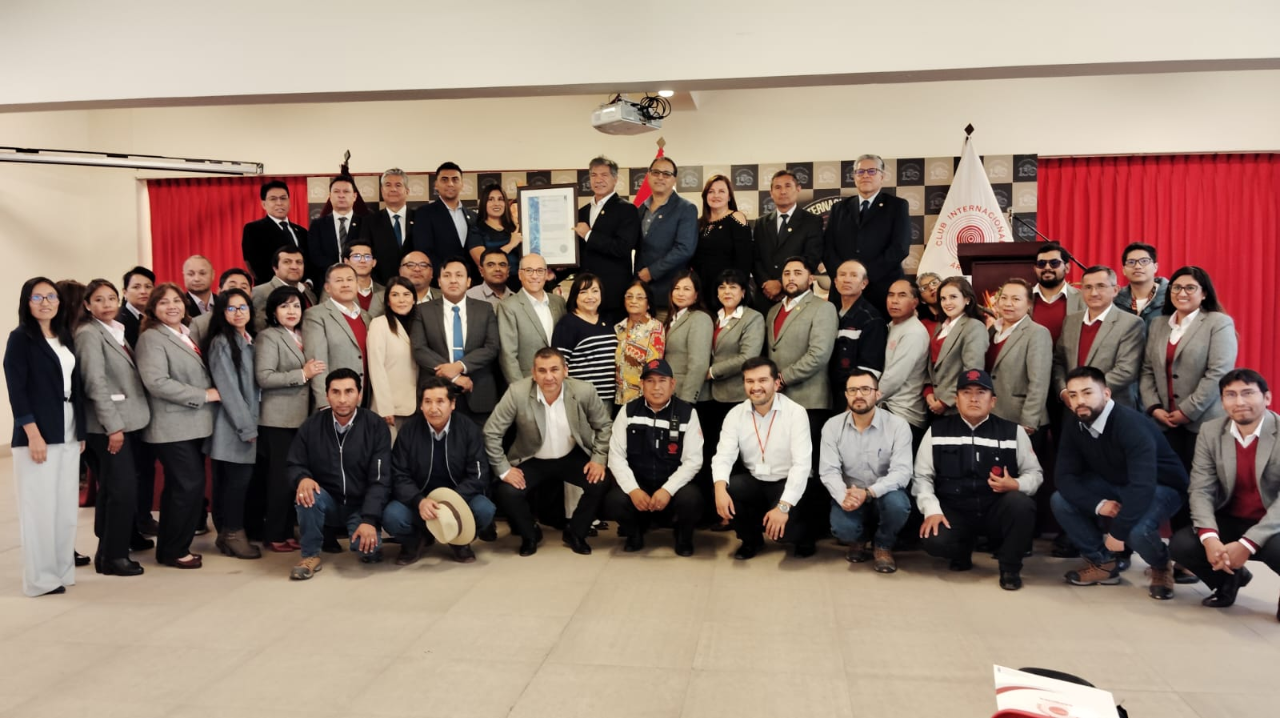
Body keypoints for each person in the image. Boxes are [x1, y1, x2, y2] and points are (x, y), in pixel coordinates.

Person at [1054, 366, 1188, 600]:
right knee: (1060, 500)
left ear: (1106, 394)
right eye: (1073, 395)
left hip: (1162, 486)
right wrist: (1099, 504)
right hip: (1116, 482)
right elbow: (1063, 477)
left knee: (1136, 531)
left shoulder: (1131, 425)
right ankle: (1104, 564)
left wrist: (1118, 532)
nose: (1080, 401)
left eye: (1087, 393)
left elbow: (1143, 485)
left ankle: (1161, 565)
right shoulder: (1075, 423)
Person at [914, 369, 1042, 591]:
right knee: (934, 540)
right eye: (966, 392)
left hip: (995, 509)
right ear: (956, 400)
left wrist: (1016, 484)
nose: (973, 398)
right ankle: (961, 551)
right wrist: (931, 510)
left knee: (1021, 504)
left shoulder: (1013, 432)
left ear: (992, 401)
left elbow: (1035, 473)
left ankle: (1010, 568)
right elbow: (922, 476)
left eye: (981, 392)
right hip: (955, 509)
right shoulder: (937, 431)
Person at [1170, 368, 1280, 618]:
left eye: (1248, 393)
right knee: (1182, 545)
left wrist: (1248, 544)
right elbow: (1201, 488)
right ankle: (1229, 580)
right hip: (1231, 517)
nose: (1239, 402)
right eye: (1231, 395)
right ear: (1222, 402)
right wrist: (1210, 538)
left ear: (1267, 398)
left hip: (1273, 524)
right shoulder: (1211, 431)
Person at [484, 348, 613, 556]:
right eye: (542, 371)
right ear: (533, 374)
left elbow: (604, 426)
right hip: (532, 456)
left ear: (565, 370)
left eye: (554, 369)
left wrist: (598, 459)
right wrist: (504, 470)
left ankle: (576, 532)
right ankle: (530, 534)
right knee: (507, 491)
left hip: (570, 454)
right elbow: (491, 432)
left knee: (600, 482)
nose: (549, 376)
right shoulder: (517, 392)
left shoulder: (584, 390)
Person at [5, 277, 86, 596]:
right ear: (27, 302)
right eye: (37, 297)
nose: (46, 302)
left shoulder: (65, 336)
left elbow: (75, 387)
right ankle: (40, 579)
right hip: (38, 430)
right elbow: (17, 390)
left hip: (68, 426)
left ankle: (62, 570)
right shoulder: (20, 338)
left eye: (51, 296)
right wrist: (32, 434)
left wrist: (80, 430)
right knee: (39, 507)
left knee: (65, 506)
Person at [135, 283, 218, 570]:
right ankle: (174, 549)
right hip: (170, 425)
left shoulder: (187, 332)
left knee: (179, 487)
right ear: (153, 309)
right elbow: (156, 382)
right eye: (163, 302)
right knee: (188, 485)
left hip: (193, 424)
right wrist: (203, 395)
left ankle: (171, 548)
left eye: (176, 301)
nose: (172, 306)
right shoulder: (152, 338)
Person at [287, 369, 393, 580]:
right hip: (328, 502)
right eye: (336, 392)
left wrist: (369, 519)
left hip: (361, 506)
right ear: (327, 395)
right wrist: (302, 478)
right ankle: (310, 555)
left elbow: (380, 479)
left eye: (349, 391)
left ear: (359, 395)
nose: (342, 399)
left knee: (368, 551)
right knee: (306, 493)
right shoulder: (312, 426)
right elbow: (294, 463)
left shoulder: (376, 426)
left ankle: (365, 536)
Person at [76, 279, 150, 576]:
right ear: (87, 305)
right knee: (121, 491)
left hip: (126, 421)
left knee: (115, 489)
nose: (106, 304)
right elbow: (95, 383)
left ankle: (108, 551)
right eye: (98, 299)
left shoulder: (114, 330)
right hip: (108, 426)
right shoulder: (88, 334)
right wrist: (113, 428)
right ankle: (113, 557)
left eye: (111, 298)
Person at [383, 376, 496, 565]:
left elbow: (479, 474)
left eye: (440, 401)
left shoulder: (467, 428)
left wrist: (451, 503)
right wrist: (419, 501)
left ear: (452, 404)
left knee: (485, 509)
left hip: (459, 499)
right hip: (420, 501)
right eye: (427, 402)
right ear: (421, 405)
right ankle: (415, 540)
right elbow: (399, 474)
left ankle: (459, 540)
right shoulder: (409, 430)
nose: (433, 408)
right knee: (392, 515)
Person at [710, 357, 815, 559]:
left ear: (776, 383)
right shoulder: (735, 414)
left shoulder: (796, 413)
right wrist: (719, 490)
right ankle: (751, 541)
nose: (756, 387)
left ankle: (804, 537)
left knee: (785, 532)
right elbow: (723, 456)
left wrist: (783, 507)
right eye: (750, 381)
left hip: (788, 482)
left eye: (762, 380)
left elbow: (802, 466)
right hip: (756, 481)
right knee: (728, 487)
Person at [1140, 266, 1239, 469]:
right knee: (1169, 479)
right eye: (1176, 287)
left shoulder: (1218, 323)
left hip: (1203, 422)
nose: (1182, 293)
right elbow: (1147, 370)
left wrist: (1186, 411)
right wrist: (1154, 407)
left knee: (1201, 480)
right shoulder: (1158, 324)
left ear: (1204, 293)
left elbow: (1219, 373)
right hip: (1163, 422)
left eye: (1190, 288)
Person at [604, 359, 704, 556]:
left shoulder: (687, 413)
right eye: (650, 381)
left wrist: (667, 490)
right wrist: (633, 490)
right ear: (642, 384)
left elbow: (693, 461)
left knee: (692, 499)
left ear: (672, 384)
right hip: (640, 486)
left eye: (662, 381)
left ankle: (683, 537)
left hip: (672, 487)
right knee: (614, 500)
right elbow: (616, 456)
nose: (656, 387)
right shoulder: (628, 411)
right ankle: (634, 534)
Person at [820, 370, 913, 572]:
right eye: (853, 390)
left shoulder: (898, 426)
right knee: (843, 529)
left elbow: (902, 472)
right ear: (846, 395)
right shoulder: (832, 426)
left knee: (898, 505)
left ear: (877, 394)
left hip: (884, 493)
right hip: (850, 493)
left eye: (865, 389)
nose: (858, 395)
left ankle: (883, 545)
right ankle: (858, 540)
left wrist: (869, 492)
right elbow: (828, 471)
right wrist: (843, 497)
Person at [254, 286, 325, 553]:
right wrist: (302, 374)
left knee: (292, 478)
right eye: (284, 306)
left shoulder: (301, 334)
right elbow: (264, 377)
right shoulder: (268, 337)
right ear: (273, 311)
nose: (291, 311)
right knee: (278, 480)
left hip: (300, 419)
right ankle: (274, 535)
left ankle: (286, 531)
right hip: (277, 420)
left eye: (296, 305)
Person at [202, 288, 262, 560]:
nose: (238, 313)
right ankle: (234, 535)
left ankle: (227, 535)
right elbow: (229, 389)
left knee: (236, 482)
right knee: (235, 483)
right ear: (222, 313)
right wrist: (246, 427)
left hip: (243, 423)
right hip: (232, 426)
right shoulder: (222, 342)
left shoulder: (248, 339)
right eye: (231, 308)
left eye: (243, 307)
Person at [703, 269, 766, 525]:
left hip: (736, 395)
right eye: (722, 287)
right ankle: (715, 510)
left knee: (738, 459)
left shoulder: (752, 318)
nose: (727, 292)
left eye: (733, 287)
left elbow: (747, 357)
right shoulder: (711, 317)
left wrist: (711, 371)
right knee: (715, 454)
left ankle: (735, 517)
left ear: (743, 292)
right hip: (711, 397)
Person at [410, 258, 501, 423]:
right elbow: (419, 349)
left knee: (477, 439)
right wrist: (453, 376)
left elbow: (491, 347)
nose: (453, 280)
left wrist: (460, 366)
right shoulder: (422, 311)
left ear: (468, 282)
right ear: (439, 281)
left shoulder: (485, 309)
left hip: (477, 391)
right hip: (436, 392)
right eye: (447, 275)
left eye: (459, 275)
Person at [821, 154, 911, 315]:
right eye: (860, 172)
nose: (865, 176)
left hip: (881, 288)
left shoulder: (897, 206)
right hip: (843, 291)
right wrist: (845, 277)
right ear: (854, 176)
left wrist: (862, 278)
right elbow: (828, 248)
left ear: (882, 176)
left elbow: (900, 248)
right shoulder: (839, 208)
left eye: (871, 171)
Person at [765, 258, 837, 455]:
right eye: (787, 273)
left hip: (809, 400)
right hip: (777, 400)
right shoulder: (773, 311)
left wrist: (782, 378)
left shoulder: (823, 308)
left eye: (798, 273)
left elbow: (819, 354)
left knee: (806, 462)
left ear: (811, 278)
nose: (791, 278)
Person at [1053, 265, 1145, 409]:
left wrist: (1085, 394)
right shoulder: (1070, 321)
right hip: (1072, 407)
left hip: (1112, 406)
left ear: (1115, 290)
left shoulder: (1131, 323)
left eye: (1101, 286)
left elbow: (1126, 370)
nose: (1093, 293)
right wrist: (1064, 390)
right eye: (1088, 287)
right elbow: (1059, 362)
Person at [573, 156, 639, 321]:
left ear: (615, 179)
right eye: (594, 175)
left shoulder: (627, 210)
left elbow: (622, 248)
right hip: (584, 296)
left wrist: (589, 235)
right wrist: (559, 270)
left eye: (604, 175)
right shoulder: (581, 212)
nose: (598, 180)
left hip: (613, 296)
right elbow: (579, 252)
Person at [986, 278, 1052, 436]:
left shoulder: (1037, 333)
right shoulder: (991, 330)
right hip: (992, 415)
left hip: (1021, 419)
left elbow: (1039, 382)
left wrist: (1029, 420)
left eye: (1016, 299)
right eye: (1004, 298)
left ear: (1029, 304)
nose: (1008, 304)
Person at [302, 264, 372, 411]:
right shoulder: (316, 315)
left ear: (357, 284)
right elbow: (317, 363)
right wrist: (325, 403)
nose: (345, 284)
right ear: (327, 287)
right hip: (335, 401)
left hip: (364, 398)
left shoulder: (366, 316)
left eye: (350, 279)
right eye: (339, 280)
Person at [635, 156, 698, 313]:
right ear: (648, 175)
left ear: (674, 179)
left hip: (669, 293)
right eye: (656, 172)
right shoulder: (640, 208)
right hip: (641, 294)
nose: (660, 177)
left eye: (666, 174)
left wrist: (652, 272)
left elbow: (684, 249)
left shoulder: (686, 208)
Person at [752, 170, 822, 311]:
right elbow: (755, 258)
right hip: (765, 296)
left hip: (798, 295)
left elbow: (812, 258)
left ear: (798, 189)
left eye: (788, 186)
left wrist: (781, 283)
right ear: (771, 193)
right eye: (777, 187)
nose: (783, 191)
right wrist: (766, 283)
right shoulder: (761, 223)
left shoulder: (812, 221)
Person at [497, 253, 566, 383]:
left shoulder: (558, 302)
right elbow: (508, 355)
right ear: (520, 274)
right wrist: (520, 389)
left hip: (558, 382)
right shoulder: (508, 307)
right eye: (529, 270)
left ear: (546, 274)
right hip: (527, 381)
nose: (534, 276)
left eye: (540, 271)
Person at [925, 277, 989, 417]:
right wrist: (928, 391)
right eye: (943, 298)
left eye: (953, 297)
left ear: (967, 299)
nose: (947, 303)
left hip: (956, 407)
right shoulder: (940, 327)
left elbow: (972, 371)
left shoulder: (974, 327)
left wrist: (945, 401)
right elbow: (932, 366)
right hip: (933, 404)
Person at [552, 272, 618, 406]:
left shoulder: (607, 321)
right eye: (583, 292)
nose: (590, 296)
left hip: (609, 399)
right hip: (581, 399)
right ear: (575, 296)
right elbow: (558, 364)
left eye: (595, 291)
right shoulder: (568, 323)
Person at [411, 162, 480, 285]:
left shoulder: (474, 216)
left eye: (455, 179)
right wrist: (446, 275)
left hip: (471, 283)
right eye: (444, 179)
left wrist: (466, 277)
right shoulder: (424, 213)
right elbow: (424, 251)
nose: (450, 184)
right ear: (436, 185)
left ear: (462, 184)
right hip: (440, 282)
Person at [880, 279, 930, 450]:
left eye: (902, 295)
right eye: (891, 295)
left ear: (915, 302)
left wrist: (867, 400)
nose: (894, 301)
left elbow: (894, 377)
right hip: (887, 409)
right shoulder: (891, 326)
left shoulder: (913, 332)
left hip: (904, 414)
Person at [366, 277, 420, 438]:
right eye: (395, 295)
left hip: (418, 405)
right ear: (388, 301)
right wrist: (385, 407)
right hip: (391, 408)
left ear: (414, 299)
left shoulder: (420, 324)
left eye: (406, 294)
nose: (401, 300)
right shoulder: (379, 324)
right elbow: (376, 367)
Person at [829, 259, 887, 408]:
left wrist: (853, 402)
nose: (847, 279)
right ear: (835, 282)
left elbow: (870, 367)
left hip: (850, 397)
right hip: (828, 394)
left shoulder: (872, 318)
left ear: (864, 283)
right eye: (842, 275)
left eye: (854, 275)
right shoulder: (829, 312)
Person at [691, 174, 752, 297]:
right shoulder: (699, 223)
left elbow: (745, 260)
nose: (716, 195)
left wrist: (736, 289)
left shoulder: (736, 218)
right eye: (711, 191)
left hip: (727, 291)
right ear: (705, 196)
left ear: (729, 196)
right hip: (702, 291)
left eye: (721, 191)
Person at [241, 179, 307, 285]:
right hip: (270, 288)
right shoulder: (254, 229)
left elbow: (309, 261)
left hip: (301, 288)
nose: (279, 203)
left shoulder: (302, 231)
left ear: (289, 202)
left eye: (283, 198)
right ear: (263, 204)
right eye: (273, 199)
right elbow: (255, 265)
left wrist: (307, 283)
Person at [663, 271, 713, 403]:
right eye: (677, 288)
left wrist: (687, 399)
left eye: (686, 289)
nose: (680, 293)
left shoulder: (700, 318)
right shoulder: (670, 319)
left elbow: (699, 364)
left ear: (696, 295)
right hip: (669, 392)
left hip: (686, 396)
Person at [305, 175, 364, 287]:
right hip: (328, 283)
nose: (341, 195)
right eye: (336, 192)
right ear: (330, 196)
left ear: (354, 196)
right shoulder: (318, 225)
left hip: (359, 282)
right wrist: (338, 271)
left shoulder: (365, 223)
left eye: (346, 191)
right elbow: (315, 256)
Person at [615, 279, 666, 405]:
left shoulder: (655, 327)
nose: (633, 301)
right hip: (618, 396)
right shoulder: (618, 328)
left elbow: (655, 366)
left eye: (639, 297)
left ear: (648, 304)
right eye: (629, 296)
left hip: (643, 399)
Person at [359, 168, 411, 284]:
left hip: (416, 286)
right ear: (382, 191)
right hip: (381, 286)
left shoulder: (420, 218)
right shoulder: (369, 222)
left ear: (407, 191)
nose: (393, 189)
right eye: (388, 185)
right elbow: (366, 256)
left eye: (398, 185)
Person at [251, 246, 316, 332]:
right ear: (275, 268)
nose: (294, 267)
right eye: (287, 262)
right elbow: (260, 329)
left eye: (299, 262)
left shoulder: (310, 294)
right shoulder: (260, 292)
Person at [1030, 242, 1084, 344]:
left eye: (1054, 263)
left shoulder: (1083, 299)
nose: (1047, 267)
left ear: (1067, 268)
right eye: (1041, 263)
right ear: (1035, 268)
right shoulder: (1024, 297)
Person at [469, 183, 522, 289]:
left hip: (519, 285)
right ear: (484, 203)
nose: (496, 203)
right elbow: (482, 260)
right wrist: (511, 244)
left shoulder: (515, 228)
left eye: (500, 199)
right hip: (490, 287)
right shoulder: (476, 229)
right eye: (491, 199)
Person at [188, 267, 252, 348]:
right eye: (232, 287)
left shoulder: (257, 320)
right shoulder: (200, 324)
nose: (238, 291)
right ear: (219, 292)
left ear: (251, 294)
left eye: (244, 287)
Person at [1114, 242, 1168, 327]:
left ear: (1155, 267)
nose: (1137, 266)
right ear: (1124, 270)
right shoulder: (1116, 300)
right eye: (1131, 262)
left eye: (1144, 261)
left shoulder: (1172, 297)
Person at [331, 239, 386, 316]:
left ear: (374, 262)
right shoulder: (333, 290)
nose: (362, 261)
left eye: (367, 257)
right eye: (356, 256)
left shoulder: (386, 292)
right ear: (346, 262)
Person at [118, 265, 154, 349]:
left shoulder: (158, 317)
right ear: (125, 292)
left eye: (148, 287)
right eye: (136, 287)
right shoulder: (118, 319)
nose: (143, 291)